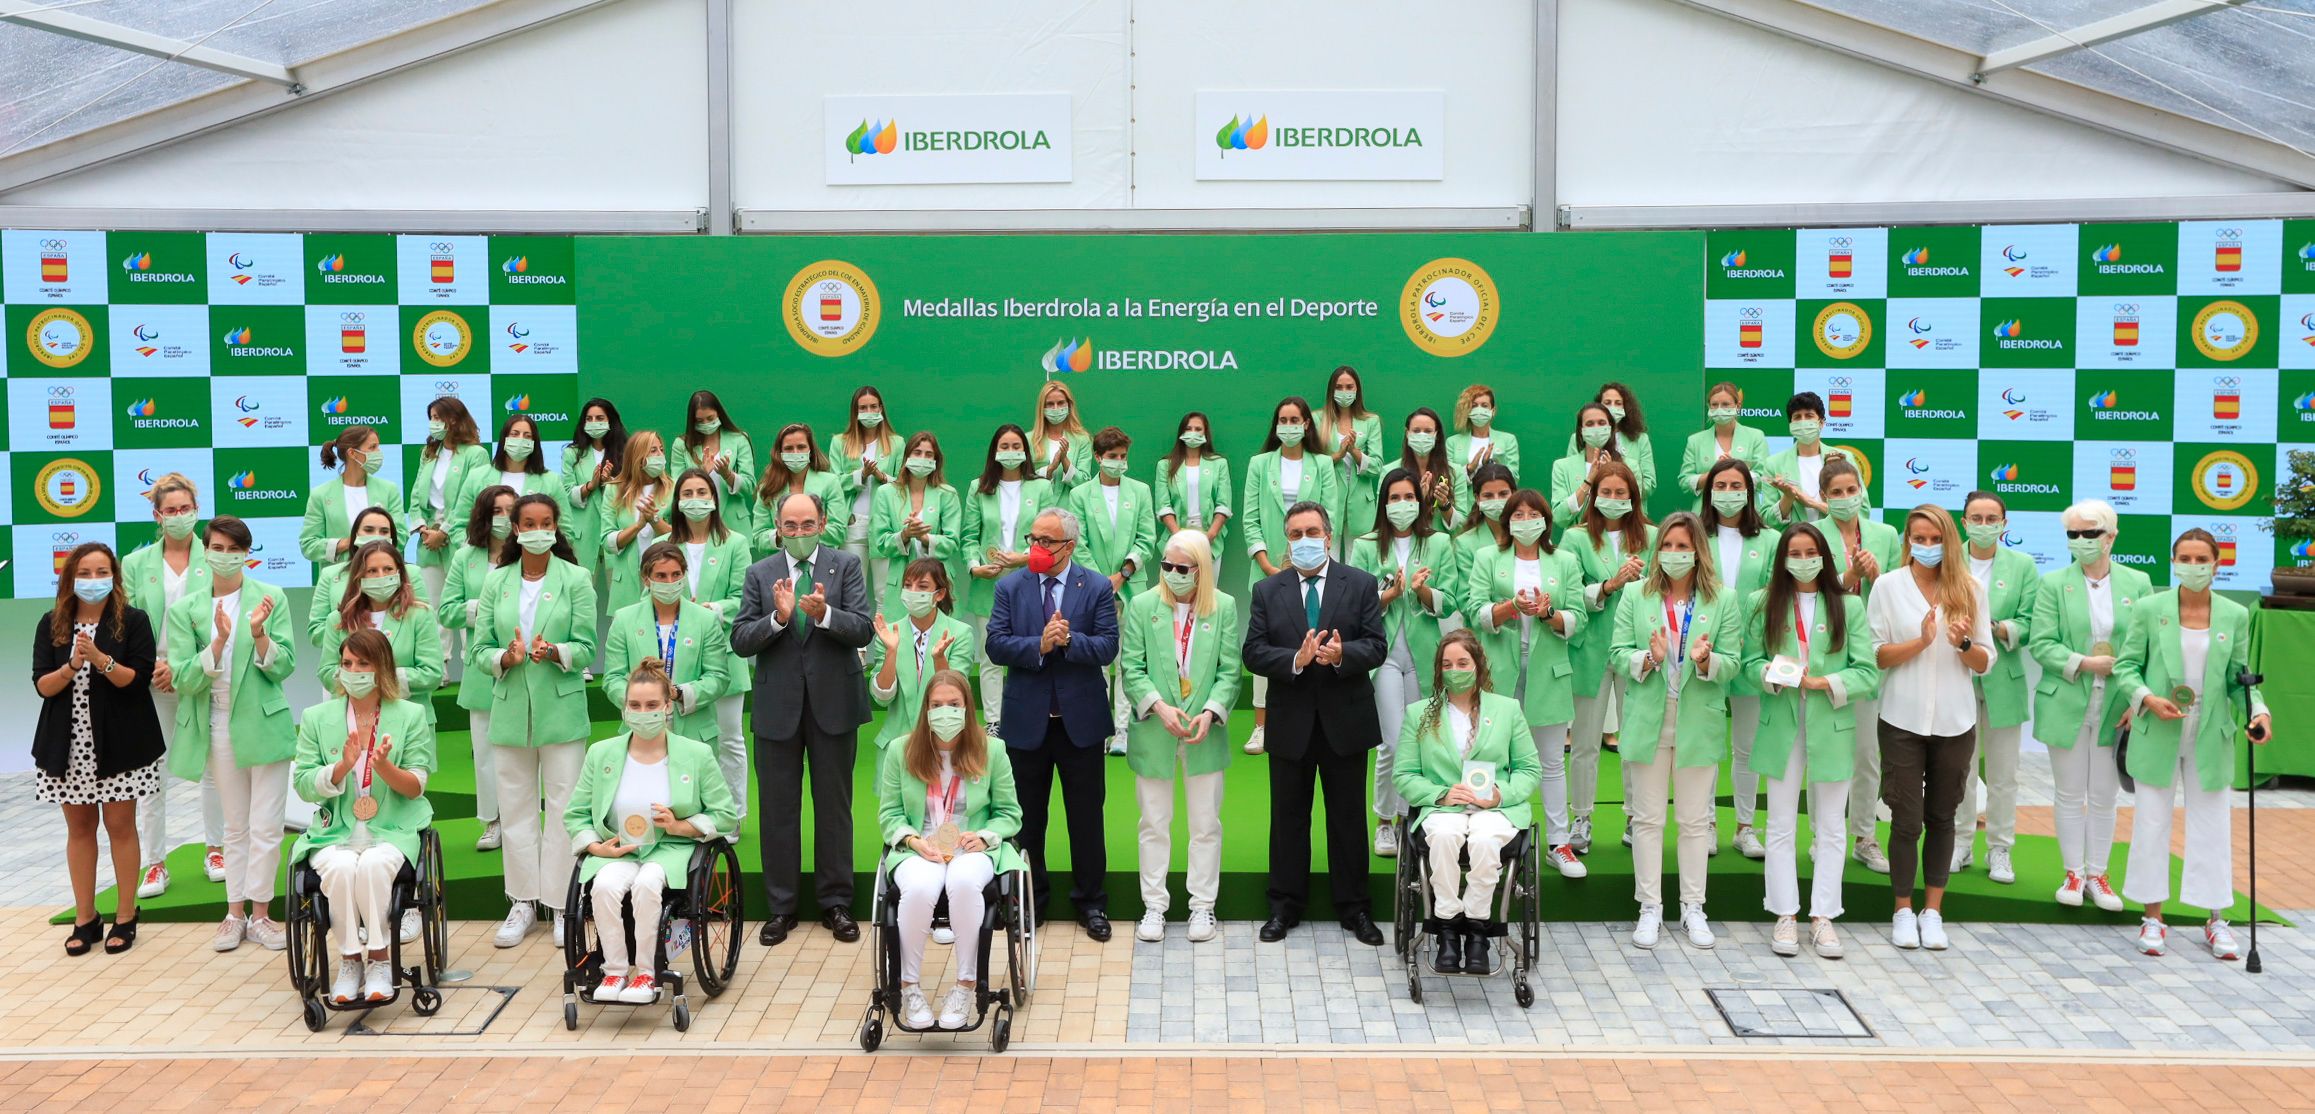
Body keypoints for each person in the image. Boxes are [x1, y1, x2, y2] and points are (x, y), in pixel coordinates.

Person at [2117, 529, 2272, 959]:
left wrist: (2259, 712)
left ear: (2216, 564)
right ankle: (2153, 917)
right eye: (2184, 558)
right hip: (2158, 727)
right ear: (2173, 562)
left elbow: (2239, 679)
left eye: (2201, 559)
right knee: (2151, 823)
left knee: (2212, 826)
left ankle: (2216, 919)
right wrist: (2147, 698)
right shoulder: (2150, 609)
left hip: (2210, 731)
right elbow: (2127, 666)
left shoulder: (2234, 615)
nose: (2193, 566)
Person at [730, 491, 875, 947]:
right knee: (777, 810)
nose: (799, 532)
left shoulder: (845, 566)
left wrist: (825, 614)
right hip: (778, 707)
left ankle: (836, 903)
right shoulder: (760, 572)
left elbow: (864, 627)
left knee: (834, 808)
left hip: (834, 704)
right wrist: (778, 618)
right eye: (790, 525)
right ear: (777, 527)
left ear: (823, 523)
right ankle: (781, 906)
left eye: (807, 524)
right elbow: (740, 639)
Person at [1241, 501, 1388, 945]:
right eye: (1295, 534)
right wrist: (1295, 659)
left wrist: (1343, 655)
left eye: (1311, 532)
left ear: (1327, 535)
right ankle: (1284, 907)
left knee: (1348, 819)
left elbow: (1376, 645)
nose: (1304, 540)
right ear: (1287, 540)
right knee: (1288, 819)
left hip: (1346, 721)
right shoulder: (1268, 590)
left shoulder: (1359, 584)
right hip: (1291, 722)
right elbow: (1253, 652)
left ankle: (1355, 908)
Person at [982, 508, 1121, 941]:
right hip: (1027, 723)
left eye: (1046, 541)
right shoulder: (1010, 587)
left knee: (1086, 819)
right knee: (1027, 820)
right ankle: (1030, 901)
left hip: (1080, 723)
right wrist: (1038, 645)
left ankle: (1091, 903)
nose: (1036, 548)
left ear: (1069, 546)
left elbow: (1108, 646)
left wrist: (1071, 640)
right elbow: (996, 644)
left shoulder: (1095, 586)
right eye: (1033, 539)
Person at [565, 659, 738, 1004]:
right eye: (635, 705)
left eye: (651, 705)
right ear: (625, 707)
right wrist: (597, 848)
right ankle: (614, 970)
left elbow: (724, 815)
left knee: (647, 884)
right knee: (603, 886)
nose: (643, 713)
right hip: (619, 849)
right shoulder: (601, 754)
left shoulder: (696, 754)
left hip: (670, 849)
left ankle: (647, 972)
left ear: (667, 706)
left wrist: (680, 825)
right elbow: (576, 814)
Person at [468, 494, 598, 948]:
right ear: (516, 529)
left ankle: (562, 904)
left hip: (561, 709)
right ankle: (522, 901)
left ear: (555, 528)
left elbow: (587, 645)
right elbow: (478, 649)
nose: (538, 530)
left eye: (546, 523)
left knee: (563, 807)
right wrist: (505, 657)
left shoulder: (576, 578)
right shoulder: (496, 580)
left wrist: (556, 651)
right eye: (529, 523)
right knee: (516, 807)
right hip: (510, 710)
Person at [1743, 522, 1879, 959]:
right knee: (1780, 822)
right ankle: (1785, 914)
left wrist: (1826, 682)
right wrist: (1769, 674)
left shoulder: (1848, 605)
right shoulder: (1762, 602)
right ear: (1782, 559)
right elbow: (1748, 663)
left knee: (1832, 825)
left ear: (1824, 556)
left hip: (1831, 723)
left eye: (1810, 553)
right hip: (1781, 722)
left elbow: (1867, 673)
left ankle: (1823, 916)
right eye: (1795, 554)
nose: (1803, 561)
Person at [1611, 511, 1742, 950]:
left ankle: (1693, 907)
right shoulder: (1636, 594)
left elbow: (1733, 663)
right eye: (1667, 545)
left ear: (1698, 551)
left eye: (1683, 546)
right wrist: (1649, 658)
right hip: (1650, 717)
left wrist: (1706, 661)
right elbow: (1618, 653)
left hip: (1698, 720)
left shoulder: (1723, 599)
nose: (1674, 553)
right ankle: (1649, 907)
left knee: (1694, 821)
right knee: (1647, 819)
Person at [166, 515, 297, 953]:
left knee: (267, 826)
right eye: (217, 548)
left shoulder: (271, 596)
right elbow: (183, 679)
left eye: (234, 548)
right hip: (217, 723)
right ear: (205, 552)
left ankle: (262, 914)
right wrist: (218, 643)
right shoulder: (186, 609)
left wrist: (258, 634)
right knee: (235, 825)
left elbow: (284, 666)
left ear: (247, 553)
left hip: (265, 721)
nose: (225, 556)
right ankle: (234, 913)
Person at [1868, 504, 1994, 951]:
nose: (1926, 547)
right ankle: (1903, 909)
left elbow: (1984, 661)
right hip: (1900, 719)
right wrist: (1920, 642)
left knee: (1943, 816)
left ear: (1949, 541)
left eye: (1934, 539)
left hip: (1954, 722)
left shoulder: (1971, 588)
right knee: (1905, 819)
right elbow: (1877, 655)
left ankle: (1933, 912)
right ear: (1907, 540)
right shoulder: (1887, 586)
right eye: (1918, 539)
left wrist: (1962, 643)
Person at [290, 629, 435, 1003]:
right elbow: (304, 784)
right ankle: (350, 960)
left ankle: (380, 960)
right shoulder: (317, 717)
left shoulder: (410, 715)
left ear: (381, 667)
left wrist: (384, 767)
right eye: (347, 663)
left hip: (392, 827)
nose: (353, 671)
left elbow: (416, 785)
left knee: (372, 864)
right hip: (336, 830)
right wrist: (341, 767)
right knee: (340, 868)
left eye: (362, 664)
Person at [35, 542, 165, 956]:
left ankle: (125, 916)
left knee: (120, 826)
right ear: (70, 578)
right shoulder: (53, 623)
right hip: (68, 744)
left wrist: (100, 659)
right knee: (79, 829)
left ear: (114, 577)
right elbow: (43, 685)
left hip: (122, 742)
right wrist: (72, 664)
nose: (93, 580)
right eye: (85, 573)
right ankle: (85, 918)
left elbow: (137, 680)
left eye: (102, 572)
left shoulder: (133, 621)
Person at [876, 671, 1022, 1029]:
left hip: (971, 847)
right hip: (920, 847)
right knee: (919, 887)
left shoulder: (992, 750)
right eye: (937, 705)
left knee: (964, 882)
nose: (945, 712)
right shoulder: (901, 750)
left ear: (967, 707)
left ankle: (965, 986)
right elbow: (890, 814)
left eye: (953, 704)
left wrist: (985, 836)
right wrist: (912, 840)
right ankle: (909, 987)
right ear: (926, 709)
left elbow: (1010, 813)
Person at [1392, 630, 1540, 974]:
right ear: (1438, 670)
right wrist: (1440, 794)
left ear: (1478, 665)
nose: (1454, 670)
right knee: (1444, 836)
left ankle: (1477, 929)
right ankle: (1446, 925)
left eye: (1462, 663)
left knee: (1485, 840)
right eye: (1447, 664)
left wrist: (1500, 793)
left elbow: (1529, 769)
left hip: (1496, 807)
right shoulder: (1420, 714)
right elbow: (1404, 774)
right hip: (1443, 807)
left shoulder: (1507, 710)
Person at [1120, 530, 1242, 943]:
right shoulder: (1142, 606)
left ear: (1201, 570)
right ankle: (1154, 906)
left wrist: (1211, 711)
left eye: (1181, 567)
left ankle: (1202, 905)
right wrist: (1158, 706)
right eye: (1166, 565)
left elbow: (1230, 671)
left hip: (1204, 733)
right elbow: (1132, 668)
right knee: (1153, 822)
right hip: (1156, 729)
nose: (1172, 573)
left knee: (1205, 824)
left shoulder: (1223, 607)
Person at [2027, 499, 2147, 913]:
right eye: (2073, 534)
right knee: (2068, 791)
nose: (2080, 540)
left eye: (2089, 533)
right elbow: (2042, 643)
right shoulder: (2053, 583)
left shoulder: (2138, 582)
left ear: (2111, 536)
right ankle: (2073, 873)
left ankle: (2098, 874)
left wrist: (2137, 698)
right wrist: (2083, 663)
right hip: (2066, 700)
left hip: (2117, 702)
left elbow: (2148, 647)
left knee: (2104, 795)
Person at [1464, 489, 1588, 877]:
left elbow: (1578, 617)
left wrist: (1549, 614)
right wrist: (1510, 607)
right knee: (1489, 755)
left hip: (1549, 674)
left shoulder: (1564, 561)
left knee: (1550, 762)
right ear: (1507, 521)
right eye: (1517, 515)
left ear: (1546, 521)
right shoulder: (1488, 557)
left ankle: (1559, 844)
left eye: (1533, 515)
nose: (1525, 521)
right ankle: (1486, 841)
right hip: (1499, 672)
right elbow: (1474, 610)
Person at [1349, 468, 1461, 859]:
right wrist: (1388, 595)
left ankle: (1407, 818)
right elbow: (1354, 604)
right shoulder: (1366, 546)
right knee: (1392, 742)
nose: (1402, 505)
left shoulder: (1438, 543)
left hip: (1423, 654)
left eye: (1409, 497)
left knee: (1419, 740)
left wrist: (1423, 591)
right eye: (1394, 498)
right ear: (1383, 504)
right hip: (1383, 657)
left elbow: (1450, 599)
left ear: (1420, 501)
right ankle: (1384, 821)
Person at [120, 474, 220, 897]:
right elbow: (126, 625)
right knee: (151, 774)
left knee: (214, 766)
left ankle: (216, 850)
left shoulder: (215, 557)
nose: (179, 516)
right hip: (152, 678)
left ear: (196, 510)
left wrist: (184, 667)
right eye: (171, 510)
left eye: (186, 508)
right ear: (157, 515)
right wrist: (152, 667)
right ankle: (155, 864)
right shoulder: (135, 563)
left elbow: (221, 621)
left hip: (202, 672)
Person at [1561, 459, 1656, 854]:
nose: (1613, 499)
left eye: (1621, 493)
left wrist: (1638, 582)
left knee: (1634, 740)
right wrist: (1609, 585)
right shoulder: (1575, 538)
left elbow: (1664, 590)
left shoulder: (1652, 537)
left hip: (1638, 653)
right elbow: (1569, 594)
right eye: (1606, 492)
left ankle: (1635, 817)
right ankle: (1581, 818)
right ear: (1594, 496)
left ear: (1633, 497)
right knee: (1585, 742)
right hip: (1590, 651)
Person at [1239, 397, 1340, 757]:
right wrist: (1268, 565)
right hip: (1268, 568)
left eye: (1295, 420)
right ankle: (1261, 725)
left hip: (1313, 567)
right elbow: (1250, 518)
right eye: (1283, 420)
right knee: (1268, 645)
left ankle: (1319, 720)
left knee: (1315, 638)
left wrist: (1307, 559)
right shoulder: (1260, 464)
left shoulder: (1322, 464)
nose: (1289, 426)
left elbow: (1330, 517)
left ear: (1306, 424)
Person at [1951, 492, 2039, 884]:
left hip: (2004, 679)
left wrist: (1995, 628)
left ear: (2004, 523)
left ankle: (2000, 848)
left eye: (1992, 518)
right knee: (1961, 769)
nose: (1984, 525)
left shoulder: (2022, 566)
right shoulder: (1948, 560)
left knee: (2004, 774)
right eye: (1976, 518)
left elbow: (2031, 623)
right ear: (1963, 522)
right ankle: (1960, 842)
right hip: (1956, 675)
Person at [1820, 455, 1900, 874]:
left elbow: (1901, 593)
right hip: (1825, 652)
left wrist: (1877, 575)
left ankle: (1865, 836)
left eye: (1852, 490)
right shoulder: (1812, 535)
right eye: (1837, 492)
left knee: (1868, 754)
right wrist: (1850, 576)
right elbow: (1809, 591)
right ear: (1824, 497)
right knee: (1824, 752)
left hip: (1869, 656)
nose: (1846, 498)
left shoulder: (1885, 534)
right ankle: (1821, 835)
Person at [662, 469, 755, 817]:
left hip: (724, 654)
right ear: (677, 502)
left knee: (729, 739)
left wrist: (711, 610)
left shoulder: (735, 543)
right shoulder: (665, 545)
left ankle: (732, 814)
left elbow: (744, 598)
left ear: (715, 499)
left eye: (702, 492)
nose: (695, 499)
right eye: (687, 493)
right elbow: (651, 596)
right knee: (683, 740)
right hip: (677, 659)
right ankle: (688, 811)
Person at [601, 542, 734, 778]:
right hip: (640, 730)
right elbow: (613, 678)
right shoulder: (624, 620)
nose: (670, 581)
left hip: (694, 732)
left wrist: (680, 693)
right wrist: (642, 701)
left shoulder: (706, 620)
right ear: (646, 579)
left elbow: (718, 677)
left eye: (676, 574)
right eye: (661, 576)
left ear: (684, 576)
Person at [1700, 459, 1777, 859]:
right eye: (1720, 485)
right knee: (1708, 743)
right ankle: (1707, 823)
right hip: (1704, 653)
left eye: (1736, 485)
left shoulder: (1770, 539)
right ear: (1708, 491)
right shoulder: (1695, 535)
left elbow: (1775, 594)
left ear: (1749, 491)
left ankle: (1745, 826)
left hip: (1751, 654)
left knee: (1746, 746)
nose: (1728, 493)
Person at [438, 484, 517, 852]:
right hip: (480, 666)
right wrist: (483, 609)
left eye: (510, 510)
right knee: (485, 751)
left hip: (523, 661)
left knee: (522, 749)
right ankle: (492, 820)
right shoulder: (465, 556)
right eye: (497, 511)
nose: (504, 518)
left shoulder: (528, 553)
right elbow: (447, 611)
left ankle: (520, 818)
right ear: (484, 516)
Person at [1066, 426, 1156, 750]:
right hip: (1091, 588)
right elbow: (1078, 543)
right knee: (1098, 660)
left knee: (1129, 660)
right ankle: (1100, 727)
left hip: (1132, 587)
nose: (1119, 462)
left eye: (1123, 456)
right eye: (1113, 456)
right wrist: (1101, 581)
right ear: (1098, 457)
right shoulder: (1080, 495)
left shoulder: (1140, 491)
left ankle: (1123, 730)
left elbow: (1147, 538)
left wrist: (1123, 574)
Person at [965, 424, 1057, 730]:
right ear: (994, 452)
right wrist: (974, 566)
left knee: (1032, 648)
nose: (1010, 452)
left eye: (1016, 446)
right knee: (990, 653)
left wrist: (1025, 557)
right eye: (1004, 446)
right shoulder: (979, 488)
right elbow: (969, 537)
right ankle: (993, 721)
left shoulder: (1041, 488)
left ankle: (1030, 715)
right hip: (988, 583)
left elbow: (1049, 537)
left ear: (1025, 452)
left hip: (1030, 580)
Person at [314, 540, 445, 726]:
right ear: (359, 576)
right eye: (372, 571)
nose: (381, 576)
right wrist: (355, 681)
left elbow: (432, 673)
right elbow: (326, 671)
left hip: (409, 722)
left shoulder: (420, 615)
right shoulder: (338, 619)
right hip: (354, 721)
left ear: (399, 572)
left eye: (388, 569)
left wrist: (377, 678)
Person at [408, 396, 492, 672]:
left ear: (454, 420)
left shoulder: (475, 454)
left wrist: (444, 531)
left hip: (461, 538)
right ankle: (438, 666)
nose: (433, 423)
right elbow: (416, 493)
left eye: (438, 417)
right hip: (428, 540)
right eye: (431, 418)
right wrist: (422, 528)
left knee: (467, 602)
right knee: (432, 604)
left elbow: (473, 498)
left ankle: (474, 665)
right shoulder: (428, 452)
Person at [871, 558, 979, 751]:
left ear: (940, 594)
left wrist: (939, 659)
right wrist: (891, 652)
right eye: (907, 585)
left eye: (922, 586)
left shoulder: (961, 633)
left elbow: (955, 695)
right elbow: (882, 698)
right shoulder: (888, 634)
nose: (913, 592)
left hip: (942, 742)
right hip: (896, 745)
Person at [871, 431, 964, 621]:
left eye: (929, 454)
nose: (922, 458)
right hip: (901, 581)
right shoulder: (886, 493)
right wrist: (905, 534)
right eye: (917, 452)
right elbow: (880, 542)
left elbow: (952, 542)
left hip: (938, 580)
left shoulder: (947, 494)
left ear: (936, 461)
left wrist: (925, 538)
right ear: (906, 457)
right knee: (898, 636)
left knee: (942, 635)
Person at [454, 411, 571, 549]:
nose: (520, 440)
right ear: (504, 439)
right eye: (515, 434)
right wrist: (473, 551)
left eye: (527, 436)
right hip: (485, 557)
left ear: (534, 443)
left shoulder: (551, 480)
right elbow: (459, 525)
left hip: (533, 558)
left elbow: (565, 529)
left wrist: (542, 553)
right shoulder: (477, 477)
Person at [829, 386, 903, 603]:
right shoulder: (840, 442)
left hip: (885, 525)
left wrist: (881, 476)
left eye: (873, 407)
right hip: (853, 524)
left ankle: (884, 629)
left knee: (885, 594)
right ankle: (856, 627)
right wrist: (860, 475)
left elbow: (904, 484)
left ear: (881, 408)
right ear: (855, 412)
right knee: (854, 592)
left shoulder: (896, 443)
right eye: (863, 408)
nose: (869, 412)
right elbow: (833, 483)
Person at [299, 425, 403, 568]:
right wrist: (349, 542)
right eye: (372, 447)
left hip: (381, 575)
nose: (379, 453)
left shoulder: (389, 490)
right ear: (352, 453)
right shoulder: (320, 494)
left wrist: (369, 544)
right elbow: (309, 545)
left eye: (378, 447)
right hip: (339, 577)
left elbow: (401, 536)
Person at [306, 507, 401, 650]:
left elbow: (421, 624)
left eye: (384, 531)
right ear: (355, 535)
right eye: (369, 530)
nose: (376, 536)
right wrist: (356, 641)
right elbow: (316, 633)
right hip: (347, 659)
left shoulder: (411, 573)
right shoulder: (330, 575)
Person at [668, 389, 757, 539]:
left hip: (734, 527)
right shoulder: (681, 445)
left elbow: (750, 487)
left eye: (710, 418)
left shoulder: (739, 439)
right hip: (694, 526)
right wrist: (701, 474)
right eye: (700, 421)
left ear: (719, 413)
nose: (706, 424)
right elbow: (676, 488)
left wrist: (727, 475)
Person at [601, 431, 673, 618]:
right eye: (653, 451)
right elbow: (607, 541)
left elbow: (680, 537)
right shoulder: (614, 490)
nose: (660, 455)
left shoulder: (673, 488)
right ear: (638, 457)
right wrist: (638, 525)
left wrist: (654, 520)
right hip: (627, 584)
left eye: (661, 450)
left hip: (665, 579)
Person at [561, 398, 629, 593]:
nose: (594, 423)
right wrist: (590, 486)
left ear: (610, 421)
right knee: (581, 592)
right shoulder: (572, 453)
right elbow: (567, 493)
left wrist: (610, 483)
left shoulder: (626, 451)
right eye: (589, 419)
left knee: (620, 592)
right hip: (584, 536)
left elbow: (633, 491)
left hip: (616, 531)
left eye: (599, 418)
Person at [753, 422, 849, 559]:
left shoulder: (830, 482)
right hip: (781, 562)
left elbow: (838, 532)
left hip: (822, 560)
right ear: (779, 453)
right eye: (789, 448)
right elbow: (758, 538)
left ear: (811, 450)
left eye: (801, 447)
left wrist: (802, 533)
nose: (795, 453)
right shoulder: (767, 488)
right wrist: (781, 535)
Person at [1317, 366, 1383, 559]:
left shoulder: (1370, 421)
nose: (1344, 392)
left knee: (1358, 563)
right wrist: (1338, 455)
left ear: (1357, 390)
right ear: (1331, 390)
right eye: (1339, 387)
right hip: (1328, 502)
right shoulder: (1318, 419)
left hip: (1361, 507)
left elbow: (1377, 467)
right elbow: (1311, 465)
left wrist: (1354, 451)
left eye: (1349, 387)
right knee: (1327, 560)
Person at [1676, 382, 1769, 510]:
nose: (1719, 409)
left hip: (1746, 512)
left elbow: (1764, 480)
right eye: (1714, 405)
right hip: (1706, 512)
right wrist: (1714, 473)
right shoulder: (1695, 441)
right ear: (1709, 407)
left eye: (1725, 404)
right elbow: (1685, 481)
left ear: (1738, 406)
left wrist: (1736, 470)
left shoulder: (1755, 436)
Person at [1155, 412, 1233, 558]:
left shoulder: (1219, 464)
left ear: (1205, 433)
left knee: (1208, 575)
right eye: (1188, 428)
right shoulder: (1164, 465)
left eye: (1198, 429)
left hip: (1210, 541)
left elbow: (1223, 504)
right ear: (1181, 432)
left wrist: (1210, 536)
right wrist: (1178, 536)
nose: (1193, 433)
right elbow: (1163, 505)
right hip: (1176, 539)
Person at [1449, 462, 1517, 629]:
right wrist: (1507, 609)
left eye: (1503, 494)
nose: (1496, 500)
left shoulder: (1531, 535)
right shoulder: (1464, 544)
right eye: (1488, 495)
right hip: (1486, 636)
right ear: (1477, 498)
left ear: (1514, 494)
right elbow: (1466, 602)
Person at [1562, 382, 1656, 499]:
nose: (1612, 407)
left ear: (1626, 408)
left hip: (1629, 507)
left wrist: (1622, 489)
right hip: (1586, 505)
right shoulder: (1580, 437)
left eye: (1618, 403)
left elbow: (1649, 483)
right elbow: (1570, 477)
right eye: (1607, 403)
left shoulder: (1640, 439)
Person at [1760, 392, 1831, 526]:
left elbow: (1860, 512)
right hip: (1792, 539)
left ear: (1821, 423)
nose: (1803, 421)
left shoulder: (1842, 459)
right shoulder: (1774, 464)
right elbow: (1768, 520)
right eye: (1797, 417)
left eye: (1809, 416)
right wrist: (1788, 497)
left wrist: (1813, 503)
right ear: (1790, 425)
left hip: (1832, 539)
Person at [1397, 406, 1470, 535]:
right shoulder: (1390, 472)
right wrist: (1416, 499)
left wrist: (1444, 504)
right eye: (1416, 431)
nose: (1422, 435)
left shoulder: (1455, 472)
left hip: (1442, 544)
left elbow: (1462, 525)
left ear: (1437, 435)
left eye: (1428, 431)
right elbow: (1384, 519)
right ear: (1407, 433)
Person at [1549, 402, 1621, 525]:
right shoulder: (1562, 467)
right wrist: (1589, 481)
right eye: (1589, 424)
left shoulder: (1630, 466)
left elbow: (1633, 512)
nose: (1596, 428)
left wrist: (1611, 476)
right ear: (1581, 431)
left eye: (1601, 423)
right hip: (1577, 534)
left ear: (1610, 428)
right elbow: (1559, 518)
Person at [1447, 384, 1522, 487]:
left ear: (1493, 411)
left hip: (1495, 496)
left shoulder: (1508, 440)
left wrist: (1490, 465)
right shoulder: (1452, 442)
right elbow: (1449, 480)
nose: (1479, 410)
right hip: (1464, 498)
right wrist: (1469, 468)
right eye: (1474, 406)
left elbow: (1514, 478)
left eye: (1484, 405)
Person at [1029, 379, 1094, 497]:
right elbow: (1023, 482)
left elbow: (1084, 483)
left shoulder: (1082, 440)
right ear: (1042, 408)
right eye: (1050, 404)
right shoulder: (1029, 440)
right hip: (1037, 506)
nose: (1055, 408)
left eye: (1060, 403)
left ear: (1069, 405)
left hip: (1070, 507)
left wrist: (1064, 460)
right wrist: (1050, 468)